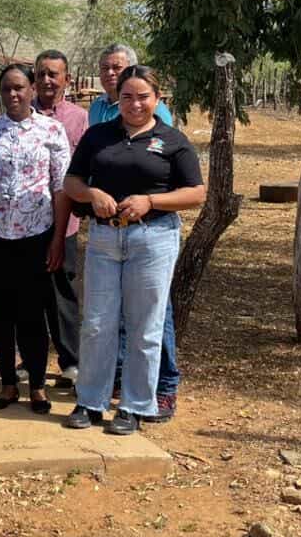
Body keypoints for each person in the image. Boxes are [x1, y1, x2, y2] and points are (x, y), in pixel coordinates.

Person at [63, 65, 205, 435]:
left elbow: (196, 192)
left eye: (143, 96)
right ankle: (90, 402)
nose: (135, 104)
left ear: (158, 99)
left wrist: (150, 201)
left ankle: (134, 405)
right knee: (97, 323)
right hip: (105, 239)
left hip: (153, 238)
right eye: (127, 96)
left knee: (145, 325)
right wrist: (92, 194)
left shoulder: (172, 140)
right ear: (118, 99)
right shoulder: (99, 136)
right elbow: (72, 182)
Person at [91, 43, 180, 421]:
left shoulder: (150, 109)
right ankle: (119, 379)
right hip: (110, 228)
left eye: (119, 68)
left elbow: (164, 165)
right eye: (106, 68)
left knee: (154, 314)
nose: (112, 74)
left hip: (150, 227)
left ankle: (164, 385)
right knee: (110, 313)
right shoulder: (98, 108)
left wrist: (148, 201)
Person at [0, 63, 70, 414]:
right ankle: (7, 384)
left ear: (32, 89)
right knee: (2, 313)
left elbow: (61, 188)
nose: (12, 95)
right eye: (6, 89)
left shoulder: (52, 130)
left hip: (36, 236)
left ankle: (37, 386)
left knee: (33, 313)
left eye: (18, 87)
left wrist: (58, 238)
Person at [31, 49, 89, 390]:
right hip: (28, 222)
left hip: (64, 222)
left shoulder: (78, 119)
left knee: (63, 292)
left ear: (67, 79)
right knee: (31, 292)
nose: (48, 80)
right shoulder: (22, 112)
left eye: (54, 74)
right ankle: (31, 358)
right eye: (42, 74)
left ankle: (71, 361)